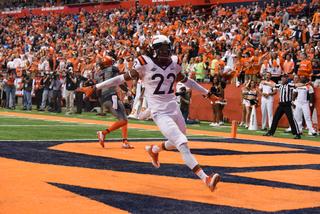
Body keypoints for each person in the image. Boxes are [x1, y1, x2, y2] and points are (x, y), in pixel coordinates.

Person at [77, 35, 221, 192]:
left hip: (174, 109)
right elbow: (120, 78)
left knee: (176, 142)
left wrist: (208, 93)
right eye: (162, 50)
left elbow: (186, 80)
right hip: (160, 112)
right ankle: (205, 178)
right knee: (183, 144)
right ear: (155, 50)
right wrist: (96, 87)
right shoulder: (145, 63)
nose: (166, 53)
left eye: (168, 49)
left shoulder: (175, 63)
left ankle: (154, 150)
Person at [87, 56, 134, 149]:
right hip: (112, 97)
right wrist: (128, 92)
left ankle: (125, 141)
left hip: (104, 100)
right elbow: (119, 81)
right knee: (123, 120)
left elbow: (98, 91)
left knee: (123, 118)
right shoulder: (112, 69)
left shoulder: (97, 74)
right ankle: (103, 133)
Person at [263, 73, 307, 139]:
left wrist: (303, 84)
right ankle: (271, 132)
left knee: (291, 119)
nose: (283, 79)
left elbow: (296, 85)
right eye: (282, 77)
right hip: (281, 104)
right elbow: (273, 85)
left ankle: (297, 134)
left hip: (287, 104)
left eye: (284, 77)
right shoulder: (280, 85)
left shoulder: (289, 85)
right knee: (275, 118)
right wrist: (266, 83)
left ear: (287, 78)